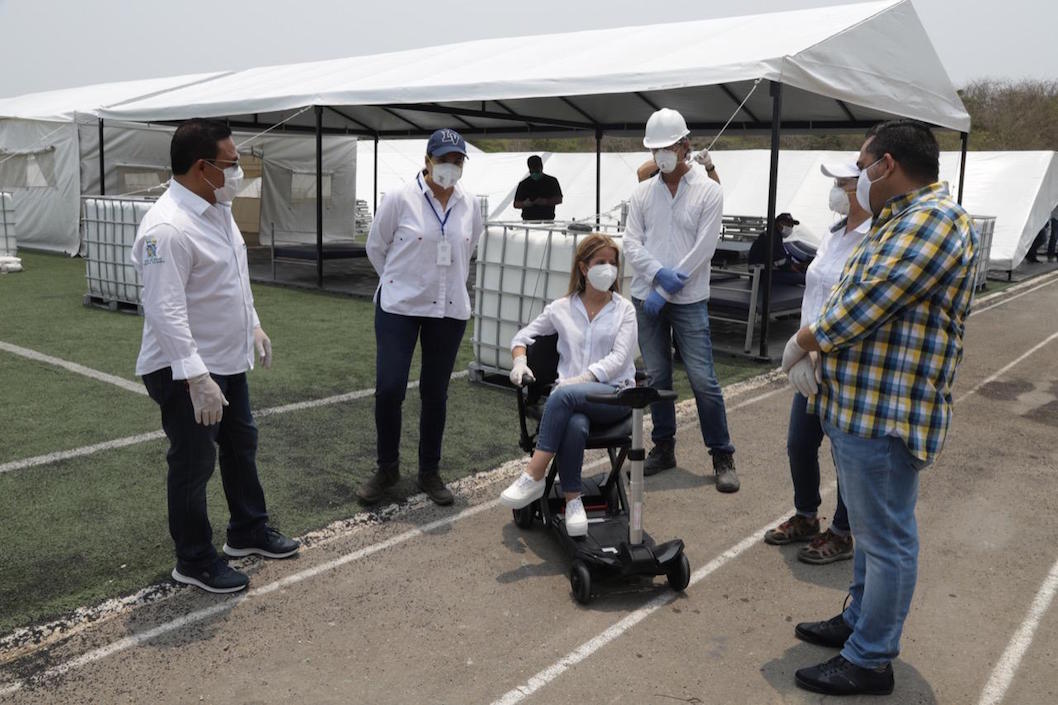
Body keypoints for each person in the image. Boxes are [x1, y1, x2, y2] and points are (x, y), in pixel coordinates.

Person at [782, 120, 978, 696]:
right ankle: (858, 622)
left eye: (862, 165)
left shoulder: (933, 221)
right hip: (862, 408)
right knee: (870, 534)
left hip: (887, 414)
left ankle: (870, 658)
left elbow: (866, 303)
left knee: (887, 538)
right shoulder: (900, 219)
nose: (857, 177)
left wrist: (804, 342)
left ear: (886, 165)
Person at [133, 119, 299, 595]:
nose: (238, 172)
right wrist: (195, 376)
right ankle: (194, 559)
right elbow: (164, 311)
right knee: (193, 463)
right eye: (231, 164)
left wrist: (252, 323)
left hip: (226, 361)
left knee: (241, 443)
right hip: (185, 370)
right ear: (202, 167)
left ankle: (247, 530)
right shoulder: (166, 228)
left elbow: (231, 278)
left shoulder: (217, 206)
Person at [358, 128, 484, 507]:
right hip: (399, 307)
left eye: (457, 160)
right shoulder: (400, 198)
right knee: (390, 388)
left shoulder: (470, 204)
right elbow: (376, 247)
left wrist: (438, 286)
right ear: (427, 160)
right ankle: (387, 468)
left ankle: (429, 471)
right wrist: (402, 283)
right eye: (443, 159)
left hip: (447, 310)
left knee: (435, 393)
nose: (450, 167)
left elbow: (469, 247)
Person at [623, 107, 738, 493]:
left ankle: (722, 454)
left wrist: (666, 287)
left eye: (667, 147)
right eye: (655, 149)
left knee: (704, 380)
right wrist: (657, 277)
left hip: (687, 299)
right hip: (647, 299)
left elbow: (704, 247)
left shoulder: (708, 190)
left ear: (685, 145)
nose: (661, 155)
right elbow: (629, 242)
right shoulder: (642, 193)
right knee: (656, 378)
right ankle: (664, 447)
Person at [763, 162, 872, 565]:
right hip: (809, 355)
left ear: (861, 188)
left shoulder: (872, 238)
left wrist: (810, 348)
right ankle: (807, 515)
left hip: (842, 362)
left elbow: (850, 306)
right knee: (800, 443)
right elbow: (816, 294)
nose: (836, 190)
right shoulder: (832, 234)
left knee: (844, 452)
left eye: (842, 183)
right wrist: (802, 350)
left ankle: (843, 533)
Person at [498, 234, 637, 536]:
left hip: (614, 396)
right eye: (601, 262)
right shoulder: (561, 308)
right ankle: (574, 501)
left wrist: (581, 380)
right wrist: (520, 362)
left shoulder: (625, 310)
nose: (609, 269)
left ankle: (534, 475)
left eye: (613, 263)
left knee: (562, 395)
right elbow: (521, 338)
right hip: (573, 404)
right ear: (584, 268)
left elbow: (618, 359)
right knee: (574, 423)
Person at [513, 155, 563, 221]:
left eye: (537, 171)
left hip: (547, 220)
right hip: (528, 220)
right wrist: (525, 203)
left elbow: (559, 199)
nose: (534, 174)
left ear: (541, 167)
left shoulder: (552, 181)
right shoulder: (524, 184)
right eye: (532, 172)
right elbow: (516, 204)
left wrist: (546, 201)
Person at [636, 148, 720, 184]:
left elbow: (715, 192)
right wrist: (674, 159)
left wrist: (709, 167)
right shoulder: (658, 181)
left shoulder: (692, 181)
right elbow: (641, 172)